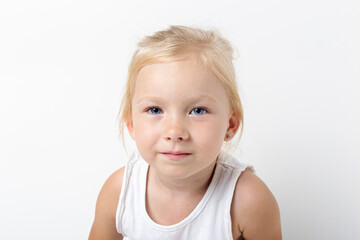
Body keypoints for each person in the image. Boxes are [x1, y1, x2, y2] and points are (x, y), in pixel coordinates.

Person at [89, 25, 281, 240]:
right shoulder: (120, 192)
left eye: (197, 111)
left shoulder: (247, 199)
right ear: (131, 124)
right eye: (155, 110)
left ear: (230, 125)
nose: (174, 132)